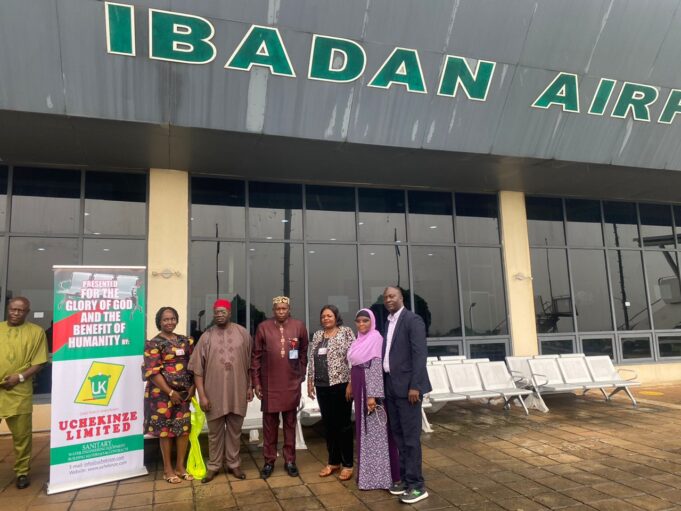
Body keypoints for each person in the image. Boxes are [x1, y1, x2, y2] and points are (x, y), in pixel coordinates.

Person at [189, 299, 253, 482]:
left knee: (235, 431)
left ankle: (234, 464)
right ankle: (214, 466)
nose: (219, 315)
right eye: (216, 312)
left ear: (229, 313)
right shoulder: (206, 336)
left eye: (222, 311)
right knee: (214, 433)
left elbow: (251, 364)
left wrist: (250, 386)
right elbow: (197, 370)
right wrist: (202, 395)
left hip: (237, 391)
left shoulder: (242, 333)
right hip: (213, 393)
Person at [382, 286, 432, 504]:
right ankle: (405, 480)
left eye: (392, 296)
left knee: (411, 439)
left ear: (401, 298)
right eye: (386, 297)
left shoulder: (413, 320)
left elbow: (420, 355)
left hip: (409, 390)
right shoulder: (388, 322)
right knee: (399, 436)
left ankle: (417, 486)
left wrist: (416, 386)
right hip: (391, 387)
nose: (388, 299)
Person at [252, 296, 308, 479]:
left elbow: (303, 352)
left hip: (291, 384)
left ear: (289, 309)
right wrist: (256, 382)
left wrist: (300, 374)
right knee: (270, 425)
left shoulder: (299, 326)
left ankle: (290, 461)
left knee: (290, 423)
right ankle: (269, 461)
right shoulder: (263, 327)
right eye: (278, 309)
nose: (281, 311)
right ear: (273, 310)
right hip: (269, 384)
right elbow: (256, 357)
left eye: (284, 308)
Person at [348, 308, 399, 490]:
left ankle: (380, 477)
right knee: (364, 432)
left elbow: (376, 368)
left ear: (372, 322)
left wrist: (372, 396)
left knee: (375, 432)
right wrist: (350, 384)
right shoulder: (358, 340)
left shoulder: (376, 339)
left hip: (369, 389)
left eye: (365, 321)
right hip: (359, 385)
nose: (362, 324)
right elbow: (354, 364)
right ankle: (368, 476)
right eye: (359, 321)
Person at [0, 297, 48, 489]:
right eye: (13, 309)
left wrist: (19, 377)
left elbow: (40, 361)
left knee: (22, 436)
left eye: (20, 310)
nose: (16, 313)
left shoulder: (36, 332)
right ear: (8, 309)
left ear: (27, 312)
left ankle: (22, 472)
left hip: (19, 391)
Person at [143, 306, 195, 484]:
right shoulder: (153, 344)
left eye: (172, 318)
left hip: (183, 394)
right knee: (165, 431)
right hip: (161, 395)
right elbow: (152, 372)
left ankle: (180, 467)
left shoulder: (185, 341)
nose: (169, 322)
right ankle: (167, 470)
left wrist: (193, 387)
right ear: (159, 322)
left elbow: (194, 365)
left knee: (183, 429)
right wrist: (170, 392)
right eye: (165, 319)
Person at [307, 305, 355, 481]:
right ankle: (333, 462)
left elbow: (354, 357)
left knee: (343, 425)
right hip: (322, 386)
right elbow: (312, 359)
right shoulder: (318, 335)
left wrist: (351, 382)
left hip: (341, 385)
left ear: (336, 317)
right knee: (329, 425)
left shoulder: (346, 332)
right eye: (323, 316)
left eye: (329, 315)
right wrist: (310, 381)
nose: (326, 319)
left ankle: (348, 464)